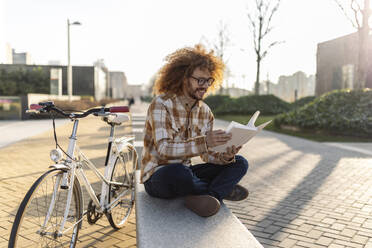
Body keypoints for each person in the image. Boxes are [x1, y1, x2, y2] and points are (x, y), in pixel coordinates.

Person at [140, 44, 249, 217]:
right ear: (184, 78)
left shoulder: (205, 112)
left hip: (187, 173)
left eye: (209, 81)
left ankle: (209, 196)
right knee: (179, 172)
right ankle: (217, 189)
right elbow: (164, 149)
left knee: (240, 162)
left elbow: (207, 156)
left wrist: (225, 156)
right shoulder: (161, 104)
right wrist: (204, 142)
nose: (205, 86)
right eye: (200, 80)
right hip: (159, 175)